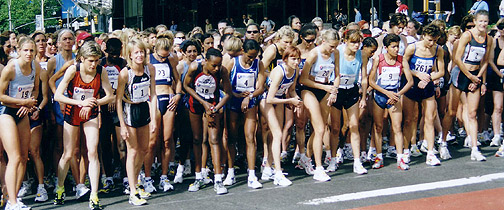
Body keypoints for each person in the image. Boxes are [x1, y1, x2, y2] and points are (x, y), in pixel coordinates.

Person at [53, 41, 114, 210]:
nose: (94, 64)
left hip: (90, 112)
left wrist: (92, 103)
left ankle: (94, 195)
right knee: (68, 153)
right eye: (90, 61)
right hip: (73, 111)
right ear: (81, 59)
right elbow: (58, 96)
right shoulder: (74, 70)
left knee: (93, 151)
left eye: (96, 60)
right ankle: (60, 188)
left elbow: (110, 96)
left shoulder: (101, 72)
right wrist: (80, 103)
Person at [441, 10, 492, 161]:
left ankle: (475, 148)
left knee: (472, 113)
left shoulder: (488, 39)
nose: (483, 24)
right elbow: (457, 58)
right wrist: (469, 76)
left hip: (475, 76)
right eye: (480, 21)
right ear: (475, 21)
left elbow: (485, 61)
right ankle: (443, 142)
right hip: (461, 74)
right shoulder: (467, 36)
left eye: (485, 21)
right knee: (452, 111)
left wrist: (478, 79)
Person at [184, 48, 232, 194]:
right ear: (205, 61)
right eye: (213, 66)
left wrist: (215, 108)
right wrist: (203, 103)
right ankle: (198, 176)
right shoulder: (194, 67)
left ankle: (218, 179)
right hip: (196, 104)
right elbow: (186, 86)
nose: (216, 68)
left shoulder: (222, 71)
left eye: (219, 65)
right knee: (198, 139)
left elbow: (228, 93)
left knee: (214, 139)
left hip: (213, 105)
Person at [0, 37, 41, 210]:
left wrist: (29, 102)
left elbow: (35, 89)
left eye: (32, 51)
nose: (29, 54)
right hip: (6, 113)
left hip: (22, 113)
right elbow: (1, 96)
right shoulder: (11, 68)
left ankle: (13, 199)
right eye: (26, 50)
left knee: (24, 157)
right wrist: (22, 103)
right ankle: (12, 201)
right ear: (19, 50)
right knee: (14, 157)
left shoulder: (35, 67)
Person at [116, 38, 157, 205]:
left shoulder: (150, 69)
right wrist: (122, 125)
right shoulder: (125, 73)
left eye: (142, 52)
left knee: (144, 148)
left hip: (143, 109)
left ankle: (137, 181)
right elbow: (118, 99)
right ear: (130, 56)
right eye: (136, 53)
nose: (140, 55)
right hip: (130, 110)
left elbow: (153, 94)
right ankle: (132, 191)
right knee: (132, 150)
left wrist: (154, 118)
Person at [223, 39, 266, 188]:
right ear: (242, 51)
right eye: (249, 56)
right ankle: (230, 172)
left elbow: (261, 86)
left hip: (250, 100)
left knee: (250, 138)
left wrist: (250, 96)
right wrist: (233, 94)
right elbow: (223, 81)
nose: (251, 59)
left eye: (254, 56)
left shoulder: (258, 64)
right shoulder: (233, 63)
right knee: (232, 137)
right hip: (234, 101)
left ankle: (252, 174)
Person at [143, 31, 182, 193]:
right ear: (155, 50)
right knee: (152, 141)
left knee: (167, 140)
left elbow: (177, 80)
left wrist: (178, 95)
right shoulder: (148, 59)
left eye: (165, 56)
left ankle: (164, 176)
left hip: (169, 98)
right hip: (155, 99)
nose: (163, 58)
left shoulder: (172, 59)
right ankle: (147, 177)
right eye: (160, 56)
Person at [368, 34, 413, 170]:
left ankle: (400, 158)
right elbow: (371, 81)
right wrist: (386, 93)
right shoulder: (379, 59)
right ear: (386, 48)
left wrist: (397, 94)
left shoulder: (402, 60)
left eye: (398, 46)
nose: (396, 49)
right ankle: (379, 157)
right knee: (378, 127)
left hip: (394, 96)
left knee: (397, 127)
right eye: (393, 47)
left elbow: (410, 81)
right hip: (381, 96)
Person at [402, 24, 445, 165]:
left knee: (429, 119)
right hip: (412, 84)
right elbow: (404, 64)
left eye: (435, 40)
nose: (431, 44)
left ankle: (431, 153)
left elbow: (441, 71)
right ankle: (406, 151)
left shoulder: (438, 50)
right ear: (423, 36)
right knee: (409, 119)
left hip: (427, 84)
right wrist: (417, 74)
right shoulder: (412, 47)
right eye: (429, 40)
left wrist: (427, 78)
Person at [299, 29, 339, 177]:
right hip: (309, 90)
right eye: (331, 46)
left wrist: (334, 90)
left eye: (335, 46)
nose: (333, 49)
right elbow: (303, 79)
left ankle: (307, 158)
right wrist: (325, 87)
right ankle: (319, 168)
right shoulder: (314, 54)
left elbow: (337, 74)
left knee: (319, 129)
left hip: (326, 89)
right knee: (320, 129)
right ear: (323, 42)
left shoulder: (335, 54)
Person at [263, 46, 303, 186]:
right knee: (278, 135)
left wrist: (297, 101)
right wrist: (289, 101)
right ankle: (278, 173)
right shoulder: (280, 72)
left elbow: (291, 90)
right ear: (285, 59)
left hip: (279, 99)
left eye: (298, 59)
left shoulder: (295, 70)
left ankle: (267, 168)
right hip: (267, 100)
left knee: (275, 135)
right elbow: (269, 98)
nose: (296, 62)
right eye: (293, 59)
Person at [28, 31, 50, 202]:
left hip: (36, 113)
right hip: (17, 112)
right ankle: (25, 182)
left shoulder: (40, 71)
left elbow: (44, 97)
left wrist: (38, 109)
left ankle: (41, 186)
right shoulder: (12, 68)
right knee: (21, 154)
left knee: (36, 151)